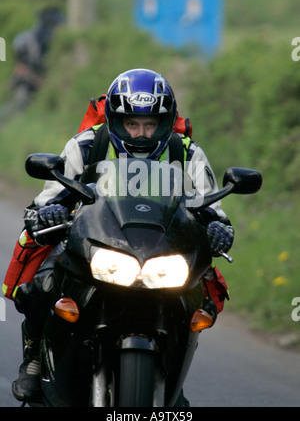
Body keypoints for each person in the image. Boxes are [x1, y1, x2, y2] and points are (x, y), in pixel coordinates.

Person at [9, 68, 234, 404]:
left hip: (162, 251)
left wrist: (219, 230)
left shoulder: (186, 152)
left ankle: (172, 370)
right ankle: (35, 356)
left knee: (200, 298)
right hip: (96, 244)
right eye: (132, 123)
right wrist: (48, 213)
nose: (141, 134)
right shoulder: (86, 145)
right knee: (40, 284)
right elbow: (44, 202)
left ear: (166, 121)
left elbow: (214, 209)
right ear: (115, 121)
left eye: (151, 124)